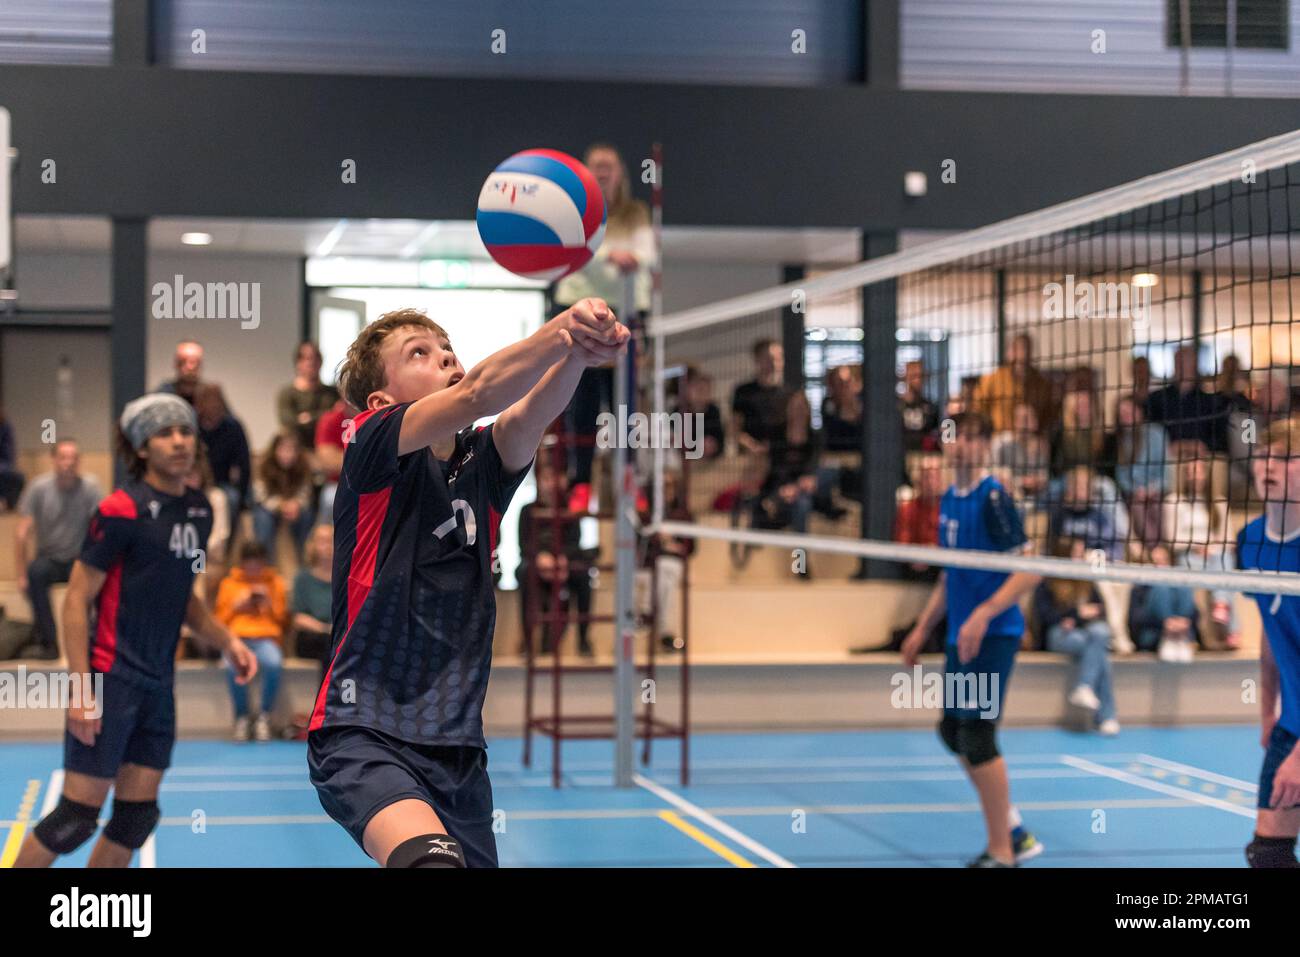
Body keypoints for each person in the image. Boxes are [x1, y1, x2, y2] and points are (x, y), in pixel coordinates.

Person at [307, 300, 628, 869]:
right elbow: (479, 392)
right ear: (383, 401)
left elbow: (527, 413)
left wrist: (579, 353)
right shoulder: (371, 443)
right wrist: (561, 329)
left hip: (456, 744)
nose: (445, 356)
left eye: (446, 347)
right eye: (419, 353)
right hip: (363, 730)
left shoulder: (481, 464)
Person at [13, 394, 256, 868]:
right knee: (75, 817)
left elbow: (187, 601)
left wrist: (229, 642)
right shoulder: (119, 510)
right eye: (165, 433)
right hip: (111, 680)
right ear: (142, 447)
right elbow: (77, 600)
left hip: (158, 686)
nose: (180, 441)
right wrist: (81, 688)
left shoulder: (200, 511)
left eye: (185, 431)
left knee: (135, 819)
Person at [901, 411, 1043, 867]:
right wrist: (922, 628)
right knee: (951, 731)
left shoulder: (993, 498)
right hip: (961, 636)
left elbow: (1031, 570)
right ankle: (1013, 827)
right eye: (953, 437)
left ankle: (1003, 852)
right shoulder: (947, 499)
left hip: (993, 634)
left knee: (978, 737)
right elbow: (951, 574)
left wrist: (983, 614)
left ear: (984, 446)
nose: (961, 445)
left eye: (972, 438)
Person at [555, 143, 654, 514]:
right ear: (585, 171)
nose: (602, 172)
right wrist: (612, 259)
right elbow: (579, 254)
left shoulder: (635, 212)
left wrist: (625, 259)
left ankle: (629, 478)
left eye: (608, 166)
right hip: (579, 311)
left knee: (626, 404)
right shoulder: (575, 212)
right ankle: (580, 482)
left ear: (620, 173)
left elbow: (646, 255)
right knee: (581, 400)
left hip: (628, 314)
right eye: (595, 165)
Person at [1234, 415, 1300, 867]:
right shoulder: (1248, 542)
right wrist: (1267, 712)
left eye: (1284, 457)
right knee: (1269, 854)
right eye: (1262, 455)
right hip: (1291, 723)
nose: (1268, 465)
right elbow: (1270, 627)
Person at [12, 440, 103, 659]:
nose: (68, 463)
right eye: (63, 457)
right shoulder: (39, 488)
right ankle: (48, 643)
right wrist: (21, 574)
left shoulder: (91, 488)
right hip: (49, 559)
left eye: (74, 457)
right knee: (35, 574)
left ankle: (94, 641)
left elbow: (101, 528)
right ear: (54, 460)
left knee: (102, 580)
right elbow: (21, 533)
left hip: (79, 560)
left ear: (79, 461)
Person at [1033, 539, 1120, 735]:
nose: (1081, 558)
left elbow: (1101, 610)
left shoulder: (1088, 580)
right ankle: (1107, 716)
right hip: (1058, 635)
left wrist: (1078, 617)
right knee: (1099, 653)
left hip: (1084, 634)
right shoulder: (1049, 582)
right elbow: (1045, 616)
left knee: (1101, 633)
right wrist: (1076, 614)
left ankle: (1085, 687)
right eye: (1077, 553)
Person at [216, 540, 289, 742]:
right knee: (234, 666)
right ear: (242, 563)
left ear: (264, 562)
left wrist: (269, 604)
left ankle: (264, 717)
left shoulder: (276, 583)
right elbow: (218, 622)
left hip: (266, 639)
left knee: (273, 663)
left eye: (258, 563)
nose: (254, 568)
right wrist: (237, 606)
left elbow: (283, 620)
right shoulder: (228, 584)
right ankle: (242, 718)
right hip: (236, 639)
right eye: (250, 563)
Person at [518, 460, 594, 656]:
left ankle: (584, 640)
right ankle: (527, 641)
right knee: (525, 571)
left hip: (563, 563)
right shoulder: (528, 510)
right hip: (537, 562)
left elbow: (575, 541)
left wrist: (562, 558)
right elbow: (524, 544)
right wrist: (541, 558)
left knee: (585, 575)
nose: (551, 483)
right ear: (540, 481)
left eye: (556, 477)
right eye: (547, 478)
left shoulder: (570, 509)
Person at [1145, 344, 1231, 455]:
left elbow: (1222, 441)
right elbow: (1148, 435)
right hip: (1165, 464)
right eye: (1178, 361)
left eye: (1185, 361)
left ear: (1194, 364)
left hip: (1203, 464)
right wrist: (1168, 446)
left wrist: (1201, 446)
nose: (1181, 365)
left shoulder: (1212, 403)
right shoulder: (1156, 400)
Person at [251, 431, 316, 565]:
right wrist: (280, 505)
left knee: (307, 515)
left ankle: (304, 562)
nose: (287, 454)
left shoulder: (304, 467)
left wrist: (296, 504)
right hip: (269, 506)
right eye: (283, 449)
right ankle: (267, 565)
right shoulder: (263, 465)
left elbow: (305, 493)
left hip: (294, 507)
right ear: (274, 449)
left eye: (291, 449)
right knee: (262, 518)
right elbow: (260, 495)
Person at [972, 332, 1054, 435]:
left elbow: (1048, 415)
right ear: (1009, 352)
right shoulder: (993, 380)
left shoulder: (1041, 383)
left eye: (1025, 348)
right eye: (1017, 348)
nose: (1021, 353)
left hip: (1031, 439)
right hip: (999, 437)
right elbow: (977, 409)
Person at [1127, 544, 1198, 659]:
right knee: (1161, 587)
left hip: (1183, 633)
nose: (1160, 566)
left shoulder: (1179, 585)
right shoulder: (1140, 587)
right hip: (1152, 635)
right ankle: (1170, 637)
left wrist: (1182, 623)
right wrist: (1166, 623)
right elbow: (1134, 620)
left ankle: (1178, 637)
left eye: (1163, 561)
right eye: (1155, 563)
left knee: (1184, 585)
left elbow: (1196, 614)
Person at [194, 382, 251, 524]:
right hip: (195, 483)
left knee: (231, 499)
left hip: (223, 483)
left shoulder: (233, 428)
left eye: (215, 403)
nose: (212, 407)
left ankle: (225, 545)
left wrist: (242, 495)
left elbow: (243, 465)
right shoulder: (192, 428)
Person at [278, 341, 340, 453]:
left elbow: (336, 419)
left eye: (315, 358)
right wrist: (322, 416)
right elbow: (288, 423)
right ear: (298, 363)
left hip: (327, 453)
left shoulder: (333, 393)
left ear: (320, 362)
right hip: (298, 455)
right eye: (306, 358)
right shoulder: (287, 393)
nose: (311, 363)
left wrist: (307, 418)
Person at [292, 524, 335, 684]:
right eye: (322, 541)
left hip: (338, 636)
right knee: (330, 645)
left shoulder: (345, 578)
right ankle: (326, 700)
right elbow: (298, 619)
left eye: (331, 540)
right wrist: (326, 629)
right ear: (313, 545)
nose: (327, 546)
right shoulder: (303, 578)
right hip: (311, 638)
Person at [314, 397, 351, 525]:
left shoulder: (377, 418)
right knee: (330, 498)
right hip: (336, 483)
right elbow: (328, 462)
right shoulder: (331, 419)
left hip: (373, 485)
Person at [898, 360, 939, 453]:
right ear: (906, 377)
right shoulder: (897, 405)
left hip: (924, 457)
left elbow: (944, 427)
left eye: (921, 376)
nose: (918, 380)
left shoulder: (930, 407)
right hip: (898, 455)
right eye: (914, 376)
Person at [156, 339, 204, 405]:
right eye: (183, 361)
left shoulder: (210, 396)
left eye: (193, 362)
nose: (190, 367)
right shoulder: (163, 395)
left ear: (200, 363)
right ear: (176, 363)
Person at [0, 402, 24, 511]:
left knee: (17, 477)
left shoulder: (6, 426)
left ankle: (10, 505)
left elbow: (9, 452)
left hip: (4, 464)